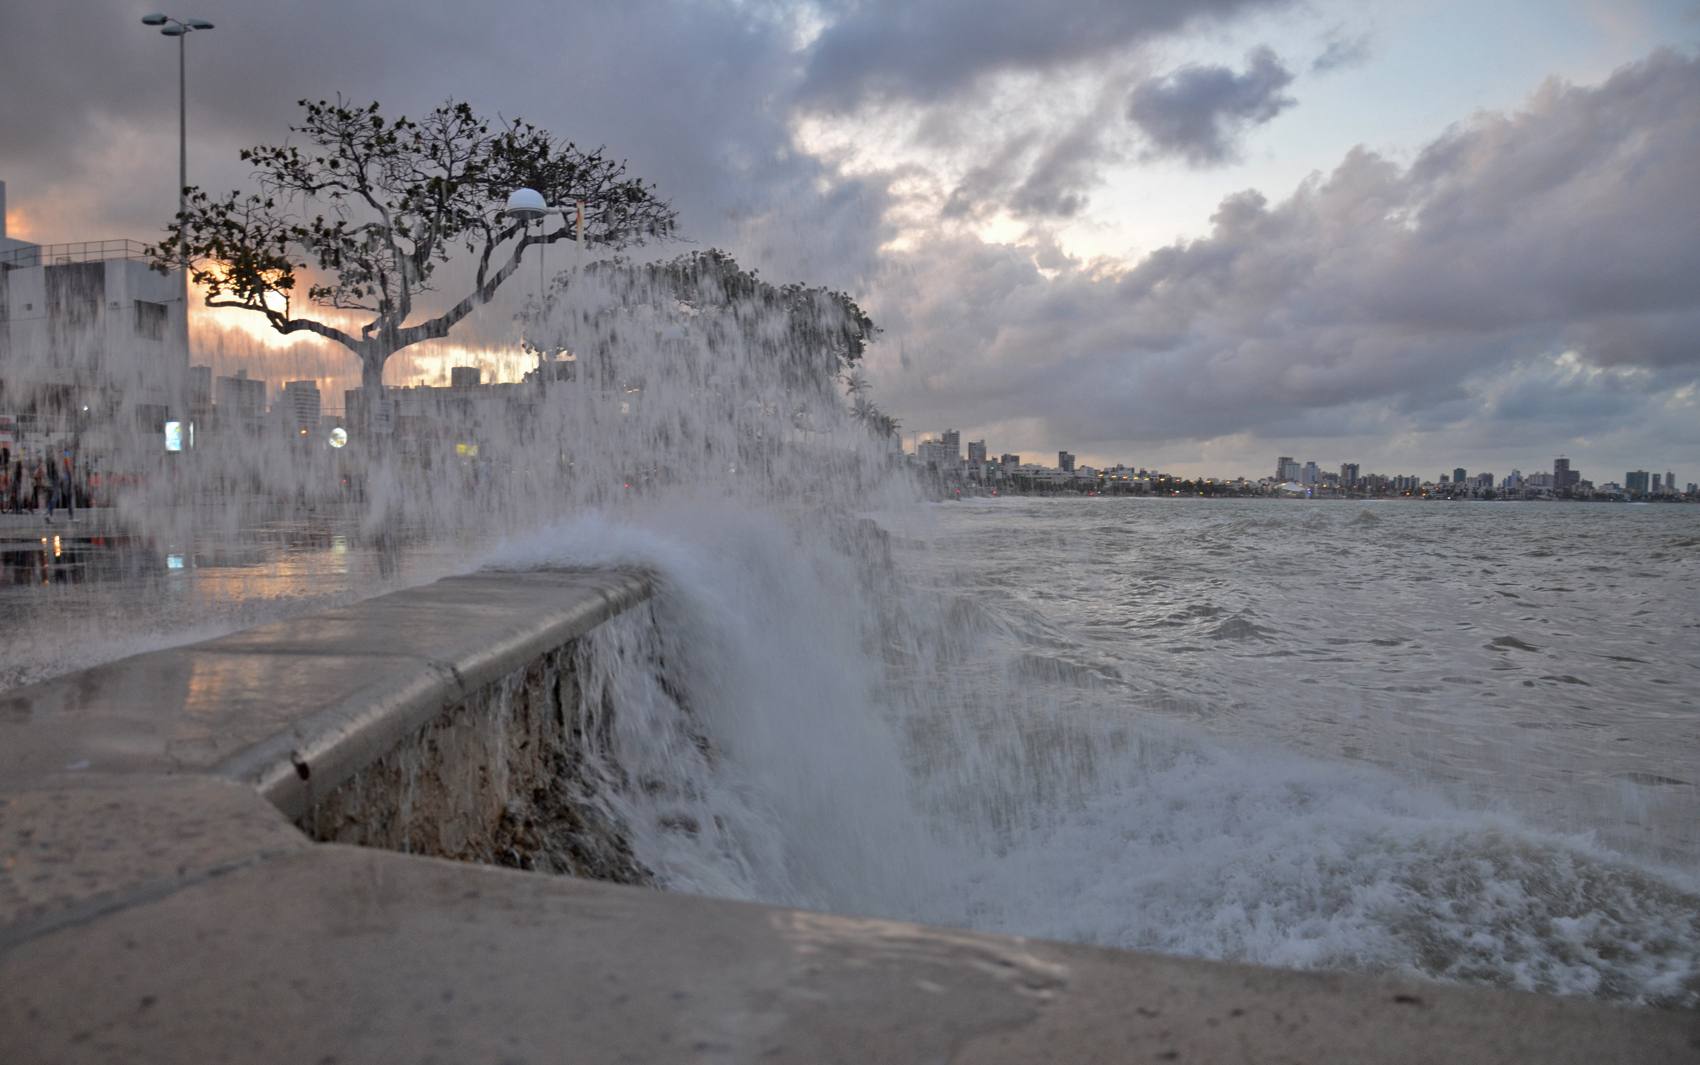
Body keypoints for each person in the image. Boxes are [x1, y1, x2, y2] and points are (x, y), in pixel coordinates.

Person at [46, 450, 75, 525]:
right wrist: (72, 477)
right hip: (65, 478)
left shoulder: (55, 456)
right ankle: (71, 516)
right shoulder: (66, 454)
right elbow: (69, 467)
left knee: (54, 497)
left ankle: (48, 513)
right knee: (69, 497)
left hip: (57, 478)